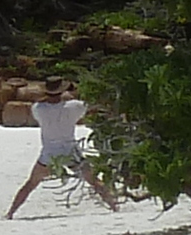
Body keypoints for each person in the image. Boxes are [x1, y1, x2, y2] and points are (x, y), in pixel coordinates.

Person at [8, 77, 120, 216]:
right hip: (71, 152)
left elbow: (41, 104)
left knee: (31, 184)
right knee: (93, 181)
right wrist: (72, 92)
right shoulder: (74, 107)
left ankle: (11, 212)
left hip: (49, 153)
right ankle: (114, 206)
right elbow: (87, 105)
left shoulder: (38, 108)